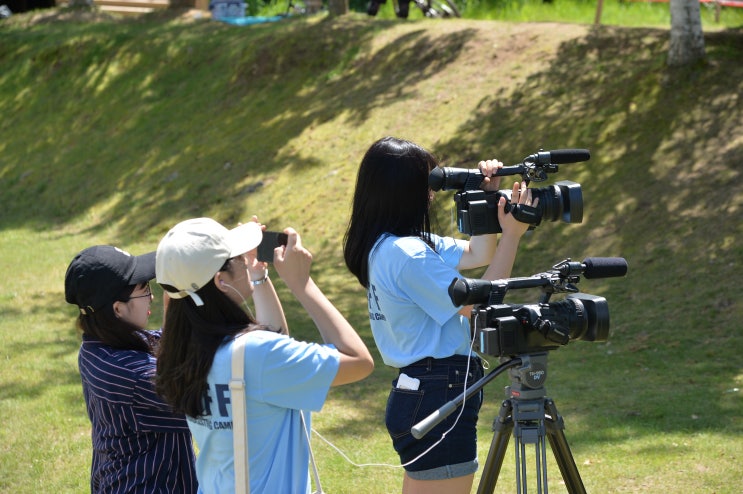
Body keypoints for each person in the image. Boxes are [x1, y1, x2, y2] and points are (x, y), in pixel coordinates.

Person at [343, 136, 535, 494]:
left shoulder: (394, 245)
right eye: (428, 183)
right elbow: (480, 306)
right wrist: (513, 235)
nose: (433, 193)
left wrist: (485, 197)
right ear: (404, 189)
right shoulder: (409, 255)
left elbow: (478, 251)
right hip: (436, 390)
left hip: (423, 390)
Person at [153, 217, 374, 494]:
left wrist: (259, 276)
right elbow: (359, 361)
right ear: (221, 280)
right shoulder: (257, 354)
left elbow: (277, 354)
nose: (245, 261)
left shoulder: (181, 350)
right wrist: (302, 284)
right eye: (237, 258)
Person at [64, 245, 199, 494]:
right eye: (144, 289)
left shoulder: (98, 348)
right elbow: (203, 403)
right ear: (118, 308)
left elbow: (168, 345)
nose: (153, 297)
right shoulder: (131, 374)